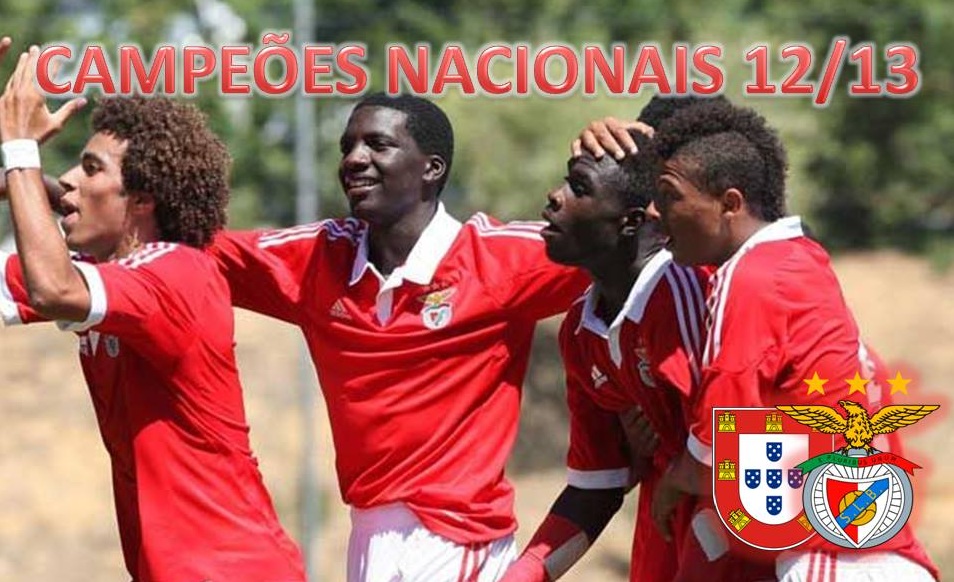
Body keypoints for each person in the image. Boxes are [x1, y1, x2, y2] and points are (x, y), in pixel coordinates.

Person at [207, 92, 590, 582]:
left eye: (377, 144)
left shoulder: (496, 259)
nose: (353, 159)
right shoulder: (319, 258)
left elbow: (627, 240)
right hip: (367, 537)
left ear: (431, 168)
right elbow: (194, 251)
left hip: (455, 540)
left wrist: (633, 144)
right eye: (347, 146)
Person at [0, 40, 305, 581]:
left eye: (90, 168)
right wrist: (16, 169)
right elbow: (50, 265)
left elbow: (53, 288)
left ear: (142, 200)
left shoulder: (177, 274)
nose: (68, 178)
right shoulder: (108, 274)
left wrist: (20, 151)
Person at [642, 99, 937, 580]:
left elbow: (724, 424)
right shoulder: (798, 259)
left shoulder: (749, 277)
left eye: (669, 195)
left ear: (730, 204)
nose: (656, 212)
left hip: (835, 561)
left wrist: (676, 478)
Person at [500, 96, 778, 582]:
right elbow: (597, 483)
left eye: (579, 187)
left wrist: (680, 466)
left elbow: (739, 441)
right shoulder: (579, 331)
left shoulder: (696, 290)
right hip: (663, 526)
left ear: (634, 219)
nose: (554, 196)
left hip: (732, 530)